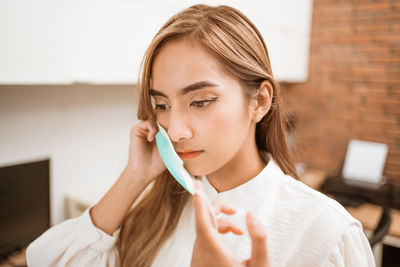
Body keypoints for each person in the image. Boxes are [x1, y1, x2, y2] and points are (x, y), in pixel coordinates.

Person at [26, 4, 375, 267]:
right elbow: (44, 260)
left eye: (201, 101)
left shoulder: (326, 234)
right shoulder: (156, 211)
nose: (175, 131)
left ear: (261, 101)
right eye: (161, 105)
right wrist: (134, 177)